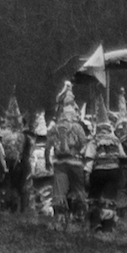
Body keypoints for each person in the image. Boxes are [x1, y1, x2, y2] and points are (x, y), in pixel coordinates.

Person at [48, 89, 91, 228]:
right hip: (76, 162)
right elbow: (84, 145)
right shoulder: (78, 127)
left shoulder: (54, 128)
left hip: (60, 163)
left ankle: (60, 221)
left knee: (60, 192)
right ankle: (78, 218)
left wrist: (49, 161)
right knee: (78, 190)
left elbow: (48, 147)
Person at [86, 99, 127, 231]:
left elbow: (89, 158)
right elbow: (122, 156)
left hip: (98, 171)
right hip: (114, 171)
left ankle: (95, 222)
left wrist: (87, 174)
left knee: (94, 197)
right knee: (109, 198)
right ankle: (108, 225)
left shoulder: (95, 140)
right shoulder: (116, 140)